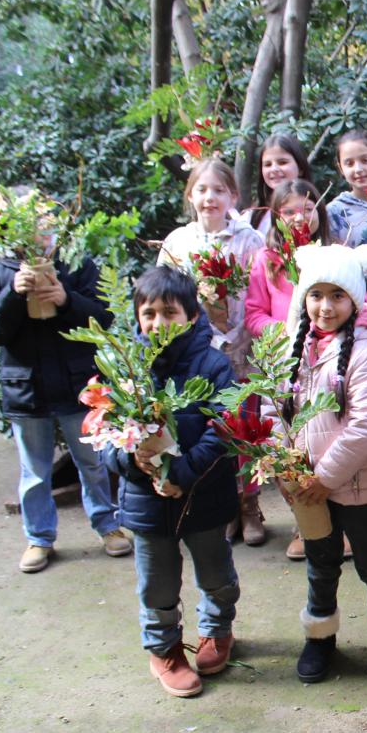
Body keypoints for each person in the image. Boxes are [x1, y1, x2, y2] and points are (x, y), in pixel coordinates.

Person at [100, 266, 239, 698]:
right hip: (146, 501)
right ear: (137, 317)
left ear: (193, 316)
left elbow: (224, 430)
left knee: (216, 572)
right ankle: (164, 649)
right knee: (157, 582)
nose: (158, 322)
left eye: (169, 312)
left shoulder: (214, 366)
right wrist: (132, 461)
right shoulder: (124, 371)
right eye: (148, 313)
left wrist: (181, 473)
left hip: (203, 494)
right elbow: (102, 438)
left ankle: (217, 630)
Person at [283, 243, 367, 683]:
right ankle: (320, 637)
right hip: (308, 488)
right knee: (320, 563)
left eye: (337, 295)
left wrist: (323, 478)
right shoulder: (294, 346)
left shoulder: (365, 350)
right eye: (316, 294)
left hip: (358, 486)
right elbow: (271, 405)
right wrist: (282, 463)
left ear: (354, 300)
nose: (325, 306)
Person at [0, 198, 130, 573]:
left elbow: (103, 316)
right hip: (26, 387)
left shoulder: (75, 264)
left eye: (44, 219)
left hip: (76, 384)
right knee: (33, 470)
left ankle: (108, 525)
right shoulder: (2, 269)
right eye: (30, 221)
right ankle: (39, 538)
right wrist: (13, 294)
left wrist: (67, 299)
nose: (39, 228)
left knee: (92, 461)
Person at [157, 158, 267, 545]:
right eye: (202, 189)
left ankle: (249, 504)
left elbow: (258, 295)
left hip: (243, 348)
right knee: (210, 428)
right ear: (190, 195)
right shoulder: (178, 243)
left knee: (246, 427)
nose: (210, 197)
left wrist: (232, 335)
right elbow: (164, 300)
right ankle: (220, 504)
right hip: (197, 355)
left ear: (233, 196)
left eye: (219, 190)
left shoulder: (249, 239)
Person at [244, 179, 335, 559]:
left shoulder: (332, 254)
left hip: (328, 360)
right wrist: (289, 330)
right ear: (276, 218)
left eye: (307, 209)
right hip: (284, 362)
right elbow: (253, 314)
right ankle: (304, 523)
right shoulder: (267, 261)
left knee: (325, 435)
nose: (300, 217)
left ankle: (338, 523)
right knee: (292, 441)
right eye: (289, 211)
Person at [250, 133, 312, 234]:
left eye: (282, 162)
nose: (274, 169)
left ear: (300, 168)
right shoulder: (254, 216)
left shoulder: (313, 211)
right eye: (268, 164)